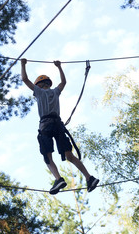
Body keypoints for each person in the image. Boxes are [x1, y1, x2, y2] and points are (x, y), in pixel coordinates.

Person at [20, 58, 99, 195]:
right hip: (58, 125)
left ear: (38, 85)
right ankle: (89, 178)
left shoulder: (38, 92)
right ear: (48, 84)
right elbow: (63, 82)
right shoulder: (55, 91)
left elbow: (25, 79)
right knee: (69, 155)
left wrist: (22, 64)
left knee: (47, 156)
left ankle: (58, 179)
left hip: (46, 126)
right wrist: (59, 67)